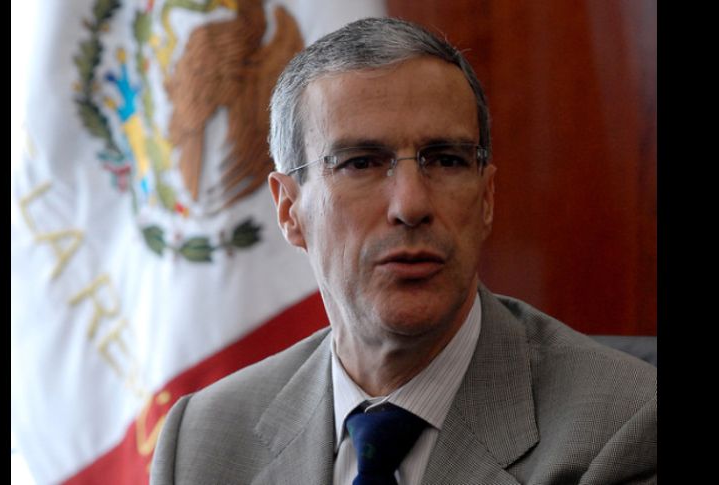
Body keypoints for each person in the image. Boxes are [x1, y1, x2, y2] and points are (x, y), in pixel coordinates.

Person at [151, 17, 656, 485]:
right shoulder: (202, 442)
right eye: (360, 162)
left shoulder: (624, 426)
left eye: (446, 160)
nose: (411, 205)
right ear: (289, 210)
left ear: (486, 198)